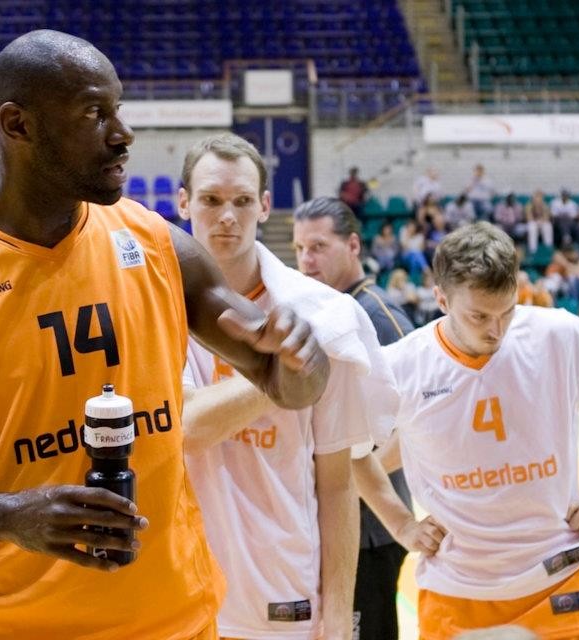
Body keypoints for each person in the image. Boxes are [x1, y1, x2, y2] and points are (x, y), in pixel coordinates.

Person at [0, 30, 331, 640]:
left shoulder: (156, 244)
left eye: (117, 110)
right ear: (18, 125)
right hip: (11, 629)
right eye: (94, 114)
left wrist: (301, 359)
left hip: (178, 622)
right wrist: (7, 516)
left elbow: (287, 384)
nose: (122, 134)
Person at [382, 222, 579, 638]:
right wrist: (401, 524)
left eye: (507, 311)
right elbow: (353, 452)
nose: (496, 330)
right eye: (479, 316)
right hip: (459, 590)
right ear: (441, 299)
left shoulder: (558, 334)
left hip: (567, 574)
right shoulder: (401, 364)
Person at [177, 136, 404, 640]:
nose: (227, 216)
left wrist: (339, 615)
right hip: (180, 594)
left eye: (242, 200)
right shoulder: (154, 303)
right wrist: (287, 373)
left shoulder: (325, 316)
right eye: (211, 199)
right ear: (184, 202)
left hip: (283, 592)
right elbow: (187, 428)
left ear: (264, 205)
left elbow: (337, 481)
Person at [292, 196, 438, 640]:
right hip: (342, 523)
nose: (306, 259)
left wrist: (350, 478)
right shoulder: (326, 309)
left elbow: (420, 418)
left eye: (318, 247)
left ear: (353, 245)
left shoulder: (378, 315)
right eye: (299, 249)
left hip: (373, 530)